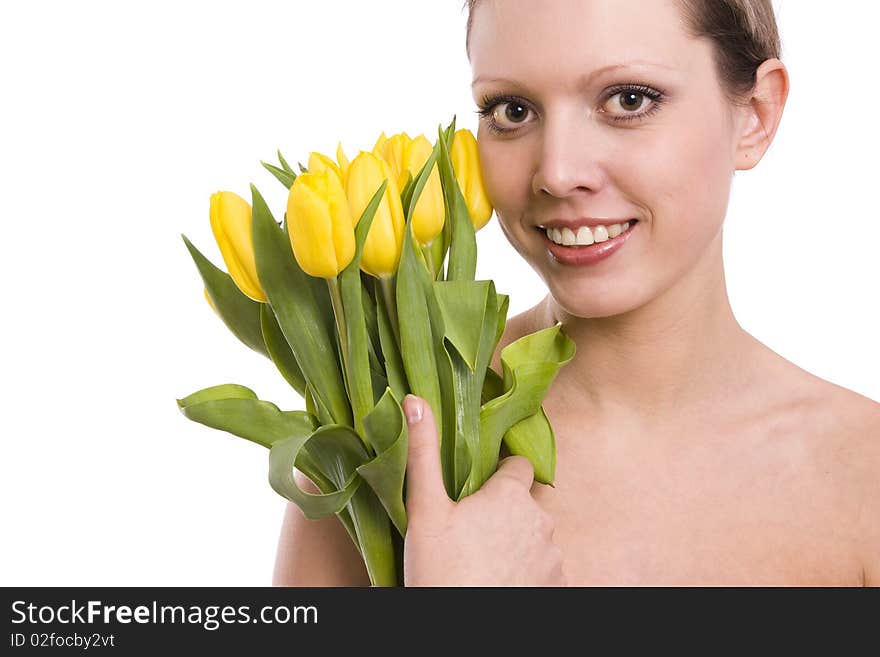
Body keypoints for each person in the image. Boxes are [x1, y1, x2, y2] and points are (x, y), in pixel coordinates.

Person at [272, 0, 880, 586]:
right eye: (511, 110)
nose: (558, 171)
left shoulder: (862, 477)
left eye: (629, 100)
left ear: (756, 113)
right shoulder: (383, 437)